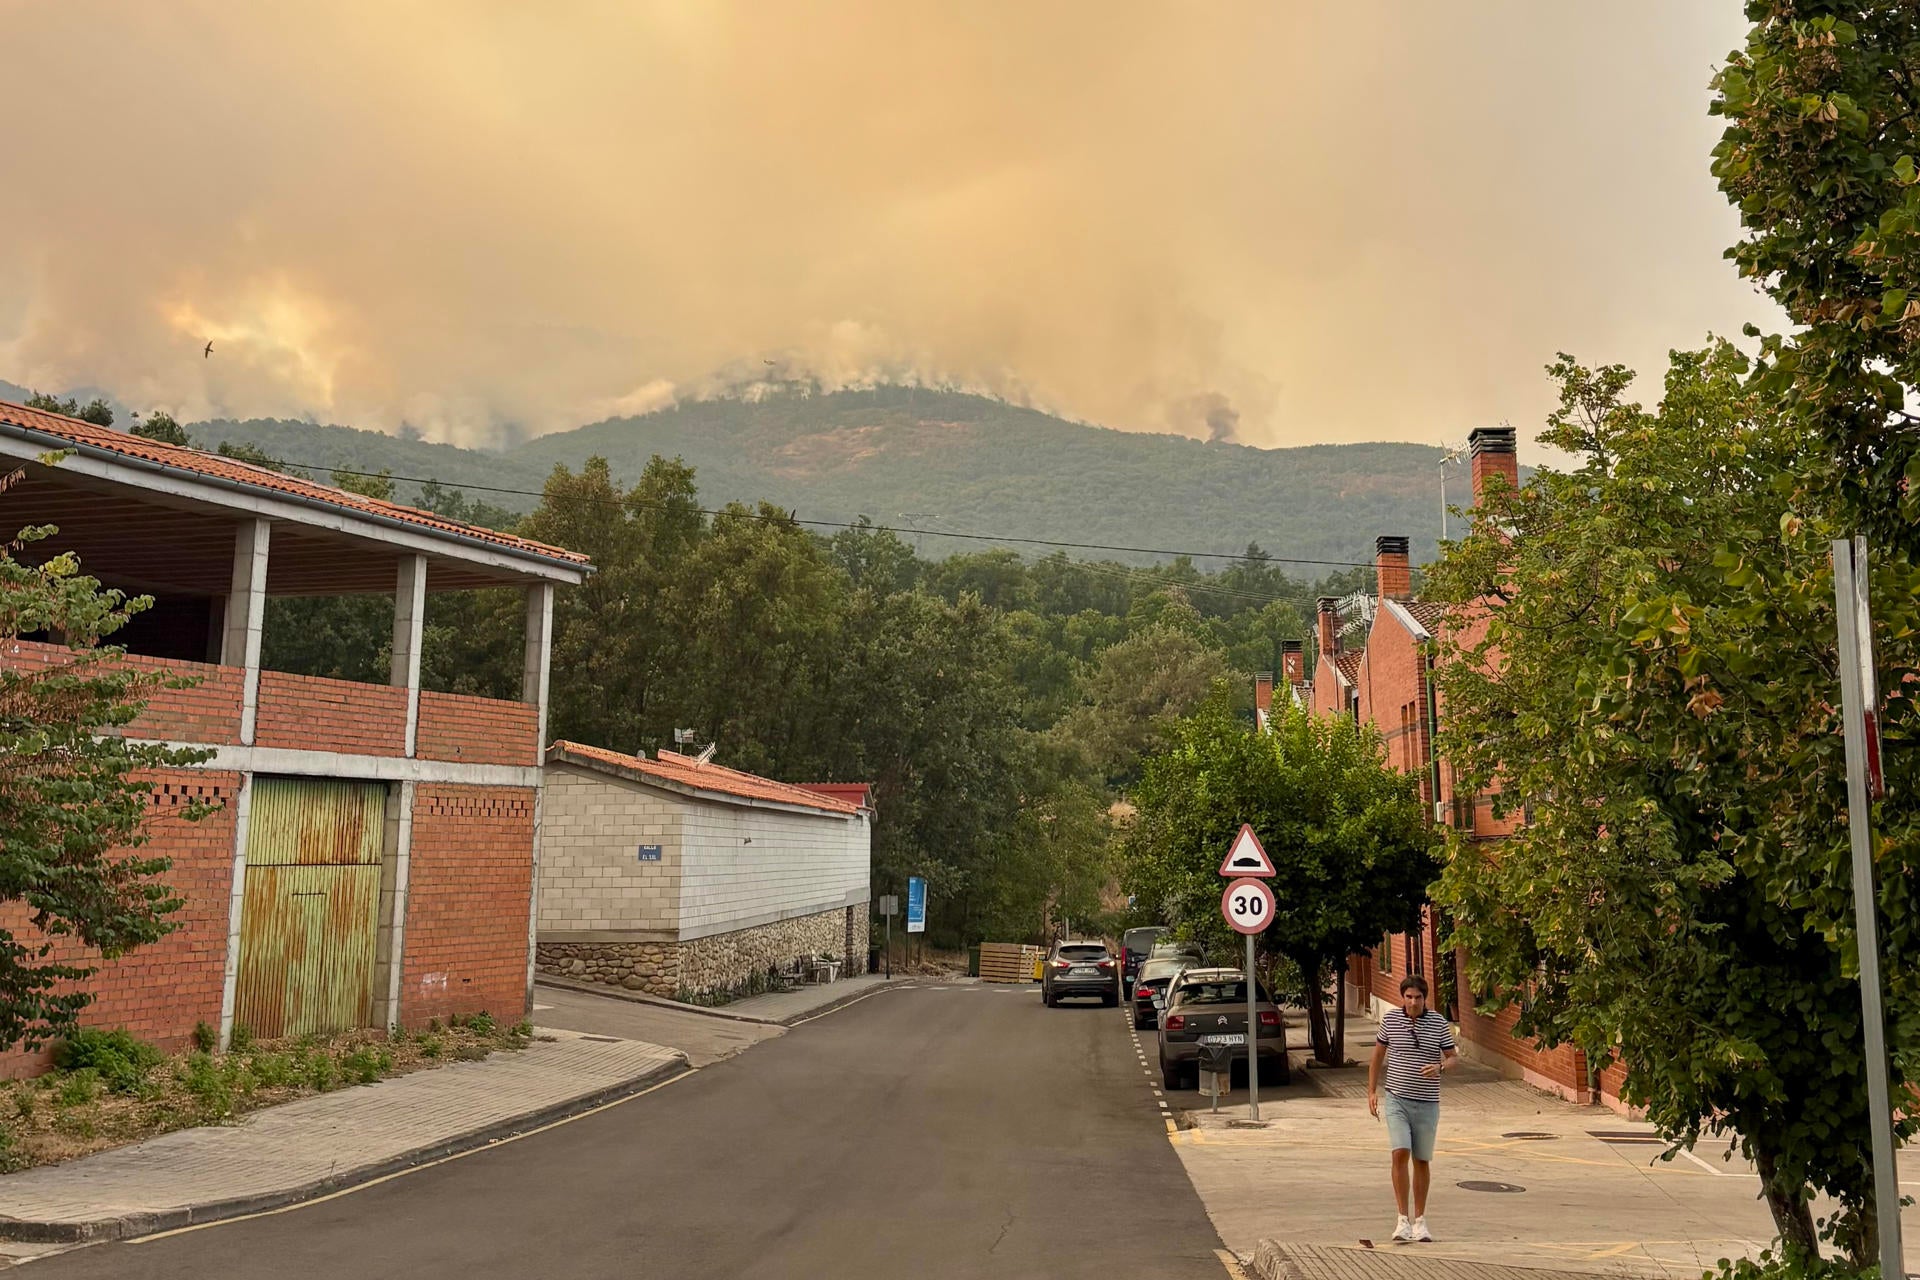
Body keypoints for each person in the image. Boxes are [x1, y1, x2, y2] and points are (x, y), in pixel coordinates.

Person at [1367, 973, 1458, 1243]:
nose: (1413, 1002)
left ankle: (1420, 1221)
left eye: (1418, 998)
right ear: (1402, 997)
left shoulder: (1438, 1023)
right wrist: (1371, 1091)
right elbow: (1377, 1055)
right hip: (1396, 1098)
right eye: (1408, 997)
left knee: (1421, 1159)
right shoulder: (1391, 1020)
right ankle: (1401, 1220)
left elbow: (1453, 1058)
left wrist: (1440, 1067)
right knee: (1400, 1152)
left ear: (1424, 999)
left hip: (1427, 1102)